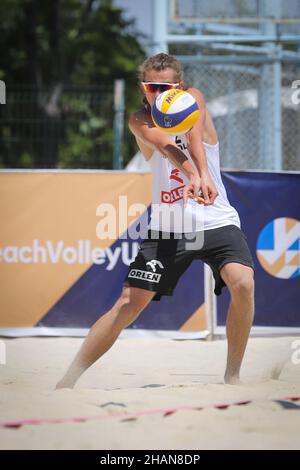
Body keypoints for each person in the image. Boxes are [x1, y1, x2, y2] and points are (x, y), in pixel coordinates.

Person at [56, 53, 254, 389]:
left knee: (244, 284)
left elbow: (192, 138)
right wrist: (191, 173)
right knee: (127, 305)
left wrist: (203, 174)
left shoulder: (193, 100)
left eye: (166, 86)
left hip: (216, 219)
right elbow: (166, 147)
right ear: (142, 87)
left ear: (179, 85)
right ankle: (67, 380)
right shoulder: (139, 120)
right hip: (168, 229)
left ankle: (233, 375)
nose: (158, 92)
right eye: (151, 86)